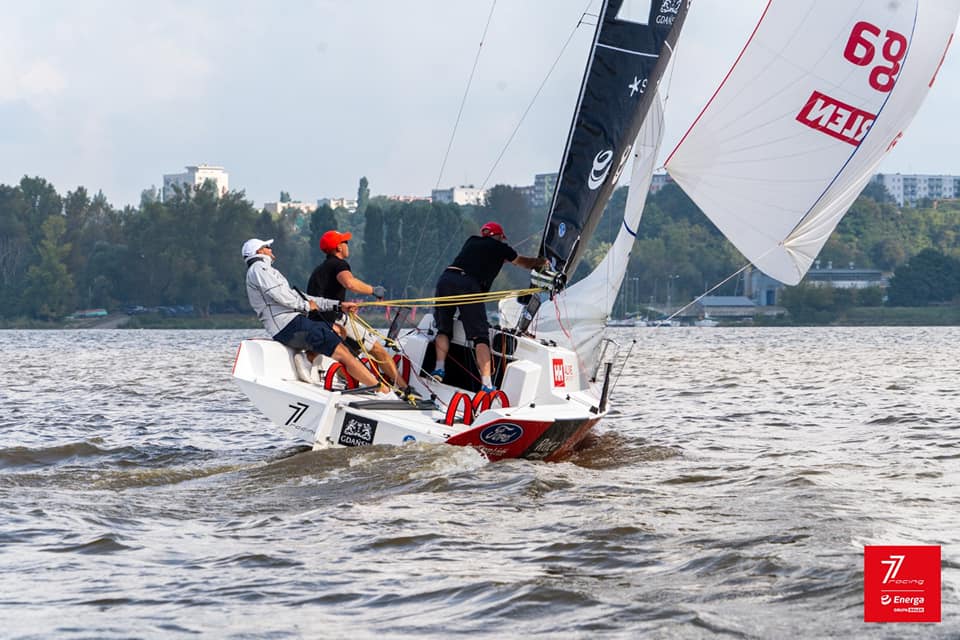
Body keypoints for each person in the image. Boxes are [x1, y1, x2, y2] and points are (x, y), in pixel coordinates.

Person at [242, 237, 385, 393]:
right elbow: (281, 295)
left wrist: (338, 305)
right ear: (259, 251)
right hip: (289, 325)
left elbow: (301, 297)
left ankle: (307, 358)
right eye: (267, 247)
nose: (271, 250)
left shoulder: (264, 270)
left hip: (292, 324)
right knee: (344, 353)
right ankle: (381, 391)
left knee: (339, 330)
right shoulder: (259, 268)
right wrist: (305, 306)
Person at [432, 221, 548, 391]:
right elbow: (523, 262)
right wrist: (541, 262)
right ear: (499, 236)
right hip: (469, 285)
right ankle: (486, 385)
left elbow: (480, 257)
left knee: (443, 330)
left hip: (446, 279)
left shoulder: (472, 241)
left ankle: (439, 369)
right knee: (480, 337)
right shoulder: (501, 247)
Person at [307, 229, 408, 390]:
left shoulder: (320, 269)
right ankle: (404, 389)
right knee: (377, 349)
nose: (348, 245)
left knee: (353, 350)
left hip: (319, 320)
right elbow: (350, 283)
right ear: (338, 247)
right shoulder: (339, 264)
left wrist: (344, 306)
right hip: (334, 320)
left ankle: (351, 378)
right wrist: (373, 290)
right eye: (345, 242)